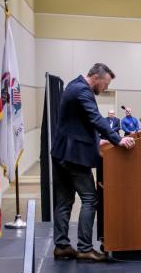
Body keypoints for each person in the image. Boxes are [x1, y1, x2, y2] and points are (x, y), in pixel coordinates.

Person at [51, 63, 136, 261]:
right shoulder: (83, 91)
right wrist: (117, 139)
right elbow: (95, 118)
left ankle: (62, 246)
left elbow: (79, 124)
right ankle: (85, 248)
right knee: (90, 198)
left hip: (62, 153)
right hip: (74, 156)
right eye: (105, 84)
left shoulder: (74, 86)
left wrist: (99, 140)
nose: (105, 88)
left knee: (64, 201)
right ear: (96, 78)